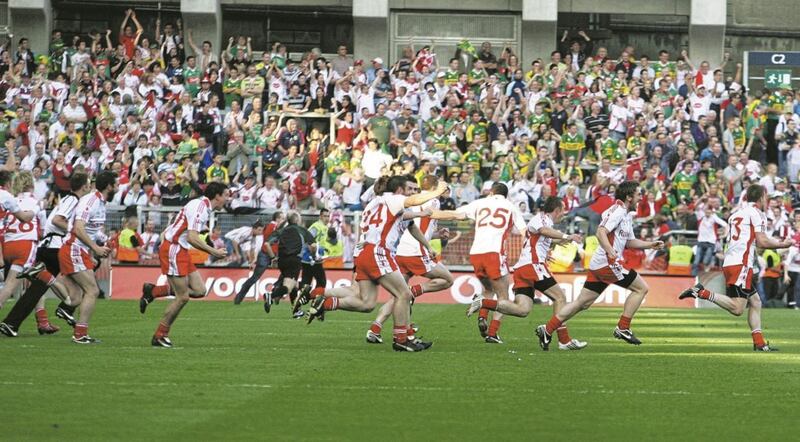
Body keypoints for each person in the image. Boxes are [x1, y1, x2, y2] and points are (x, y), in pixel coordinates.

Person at [305, 175, 449, 352]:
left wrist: (423, 226)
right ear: (399, 189)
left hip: (365, 251)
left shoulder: (376, 202)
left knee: (367, 303)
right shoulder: (395, 199)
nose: (412, 193)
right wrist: (437, 191)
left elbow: (410, 223)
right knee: (403, 294)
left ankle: (323, 302)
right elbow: (414, 202)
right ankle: (402, 339)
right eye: (409, 189)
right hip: (378, 252)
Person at [536, 181, 665, 349]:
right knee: (641, 288)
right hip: (607, 263)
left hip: (600, 263)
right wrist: (610, 251)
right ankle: (623, 327)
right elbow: (600, 231)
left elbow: (629, 241)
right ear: (628, 197)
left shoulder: (625, 214)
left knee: (582, 303)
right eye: (638, 194)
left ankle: (547, 329)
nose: (641, 198)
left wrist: (650, 245)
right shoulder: (618, 211)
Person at [679, 184, 791, 352]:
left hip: (731, 261)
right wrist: (782, 244)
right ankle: (701, 292)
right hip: (741, 264)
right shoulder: (757, 214)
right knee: (738, 308)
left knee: (756, 301)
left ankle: (759, 343)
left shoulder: (736, 214)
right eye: (766, 197)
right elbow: (762, 241)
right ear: (761, 198)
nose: (767, 201)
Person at [467, 196, 587, 350]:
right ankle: (563, 340)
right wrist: (566, 236)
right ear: (556, 210)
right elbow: (543, 230)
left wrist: (560, 242)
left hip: (523, 269)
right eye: (563, 211)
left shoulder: (545, 222)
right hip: (533, 266)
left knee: (523, 310)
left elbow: (540, 238)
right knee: (560, 297)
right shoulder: (542, 218)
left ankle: (483, 302)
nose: (563, 215)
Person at [364, 174, 461, 344]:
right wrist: (459, 214)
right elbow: (433, 215)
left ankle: (376, 327)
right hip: (415, 252)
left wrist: (437, 234)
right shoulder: (428, 199)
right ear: (435, 187)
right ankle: (414, 292)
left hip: (400, 251)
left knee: (398, 295)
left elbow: (419, 227)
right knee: (447, 279)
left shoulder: (409, 199)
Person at [0, 173, 91, 337]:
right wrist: (78, 232)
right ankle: (66, 309)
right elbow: (52, 221)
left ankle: (22, 322)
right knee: (80, 291)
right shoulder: (69, 200)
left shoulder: (12, 199)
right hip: (47, 246)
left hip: (10, 244)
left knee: (35, 288)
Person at [144, 182, 229, 347]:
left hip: (179, 248)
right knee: (182, 297)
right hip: (174, 249)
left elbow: (181, 225)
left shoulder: (200, 204)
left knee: (199, 290)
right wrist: (214, 251)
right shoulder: (201, 208)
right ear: (217, 196)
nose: (227, 199)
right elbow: (192, 237)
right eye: (225, 195)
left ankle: (153, 291)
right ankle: (159, 335)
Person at [455, 182, 527, 344]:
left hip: (475, 253)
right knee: (504, 296)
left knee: (487, 289)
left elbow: (457, 214)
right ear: (506, 195)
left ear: (490, 192)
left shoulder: (481, 203)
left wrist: (431, 213)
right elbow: (524, 232)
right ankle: (493, 333)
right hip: (494, 253)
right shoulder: (510, 206)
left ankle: (482, 316)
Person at [57, 171, 117, 344]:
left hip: (76, 249)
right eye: (116, 184)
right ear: (109, 186)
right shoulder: (91, 201)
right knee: (92, 290)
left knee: (75, 296)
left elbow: (90, 229)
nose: (118, 188)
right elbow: (78, 228)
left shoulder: (100, 202)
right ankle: (80, 334)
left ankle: (44, 277)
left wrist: (102, 241)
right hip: (73, 249)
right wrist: (95, 248)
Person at [263, 211, 317, 314]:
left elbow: (267, 244)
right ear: (297, 220)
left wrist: (273, 258)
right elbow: (313, 246)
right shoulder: (302, 230)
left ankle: (296, 310)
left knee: (294, 284)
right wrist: (313, 255)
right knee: (288, 287)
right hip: (294, 260)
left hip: (282, 261)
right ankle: (270, 295)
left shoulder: (281, 230)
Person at [233, 211, 285, 305]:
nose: (283, 220)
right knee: (286, 273)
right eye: (282, 218)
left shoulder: (271, 227)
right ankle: (276, 289)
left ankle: (239, 297)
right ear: (277, 219)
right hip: (268, 254)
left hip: (267, 254)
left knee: (255, 277)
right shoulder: (273, 226)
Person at [294, 209, 330, 316]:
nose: (327, 218)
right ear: (320, 216)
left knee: (307, 283)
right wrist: (314, 255)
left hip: (310, 259)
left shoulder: (323, 227)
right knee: (321, 282)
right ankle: (315, 304)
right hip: (311, 259)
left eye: (328, 216)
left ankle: (300, 303)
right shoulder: (316, 226)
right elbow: (308, 239)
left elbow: (318, 242)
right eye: (325, 216)